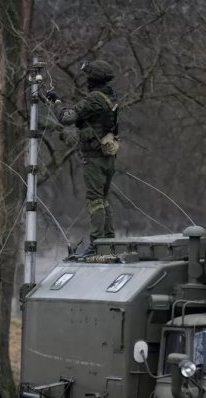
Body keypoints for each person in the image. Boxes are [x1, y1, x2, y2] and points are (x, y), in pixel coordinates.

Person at [45, 59, 120, 258]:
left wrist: (56, 102)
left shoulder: (95, 98)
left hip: (94, 157)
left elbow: (67, 117)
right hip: (107, 156)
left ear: (93, 79)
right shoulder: (111, 98)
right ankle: (109, 238)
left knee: (95, 200)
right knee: (103, 199)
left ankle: (97, 242)